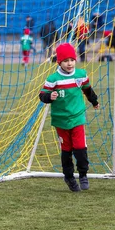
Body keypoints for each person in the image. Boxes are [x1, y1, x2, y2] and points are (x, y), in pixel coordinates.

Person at [39, 43, 100, 192]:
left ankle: (83, 174)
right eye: (66, 61)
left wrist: (94, 101)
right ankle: (69, 177)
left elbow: (87, 90)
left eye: (72, 60)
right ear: (59, 62)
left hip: (78, 117)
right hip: (61, 120)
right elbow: (42, 95)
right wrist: (49, 96)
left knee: (80, 148)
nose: (70, 63)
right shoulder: (53, 79)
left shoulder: (81, 75)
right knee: (66, 150)